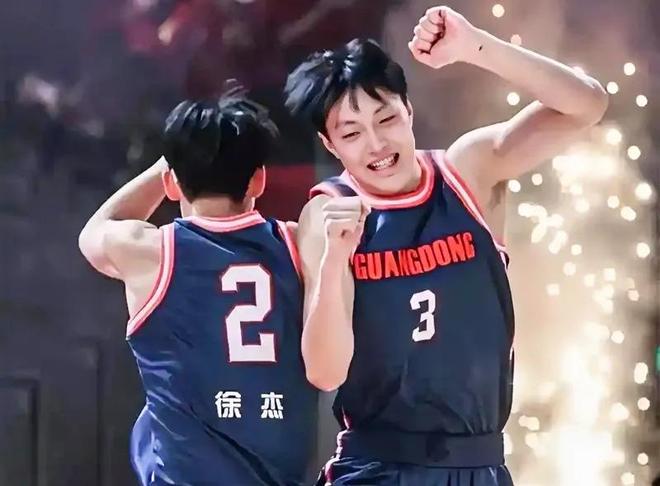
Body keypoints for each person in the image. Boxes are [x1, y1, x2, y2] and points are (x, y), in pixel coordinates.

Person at [284, 6, 608, 485]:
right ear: (330, 145)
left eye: (386, 118)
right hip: (378, 467)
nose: (376, 143)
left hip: (479, 464)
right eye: (351, 133)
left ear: (408, 110)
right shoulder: (329, 213)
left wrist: (475, 45)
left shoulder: (467, 172)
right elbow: (325, 373)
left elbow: (587, 105)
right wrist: (335, 260)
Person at [78, 90, 318, 485]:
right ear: (259, 179)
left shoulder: (151, 251)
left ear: (171, 183)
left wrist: (174, 157)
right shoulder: (298, 244)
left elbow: (93, 233)